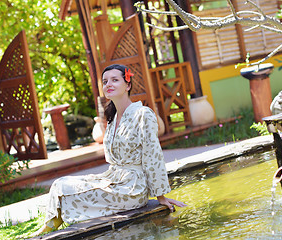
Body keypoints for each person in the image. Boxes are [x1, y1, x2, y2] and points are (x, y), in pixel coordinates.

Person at [33, 64, 187, 235]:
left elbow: (153, 155)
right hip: (114, 179)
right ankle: (48, 228)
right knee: (60, 184)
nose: (109, 84)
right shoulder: (113, 118)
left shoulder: (143, 114)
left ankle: (46, 232)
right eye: (105, 81)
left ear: (127, 85)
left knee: (67, 191)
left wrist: (160, 196)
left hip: (132, 188)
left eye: (115, 80)